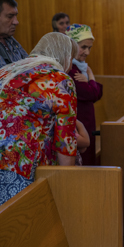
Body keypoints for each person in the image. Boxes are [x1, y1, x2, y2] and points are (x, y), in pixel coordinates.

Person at [0, 32, 79, 205]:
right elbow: (65, 142)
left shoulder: (7, 71)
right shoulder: (60, 80)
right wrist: (68, 185)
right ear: (64, 55)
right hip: (24, 166)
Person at [66, 23, 102, 165]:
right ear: (72, 46)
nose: (87, 52)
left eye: (90, 48)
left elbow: (95, 93)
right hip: (79, 123)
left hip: (86, 123)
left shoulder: (80, 68)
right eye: (83, 47)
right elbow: (92, 93)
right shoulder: (71, 70)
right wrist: (91, 77)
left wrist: (89, 80)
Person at [0, 0, 28, 68]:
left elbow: (29, 64)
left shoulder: (10, 40)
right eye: (10, 16)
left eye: (16, 16)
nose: (16, 22)